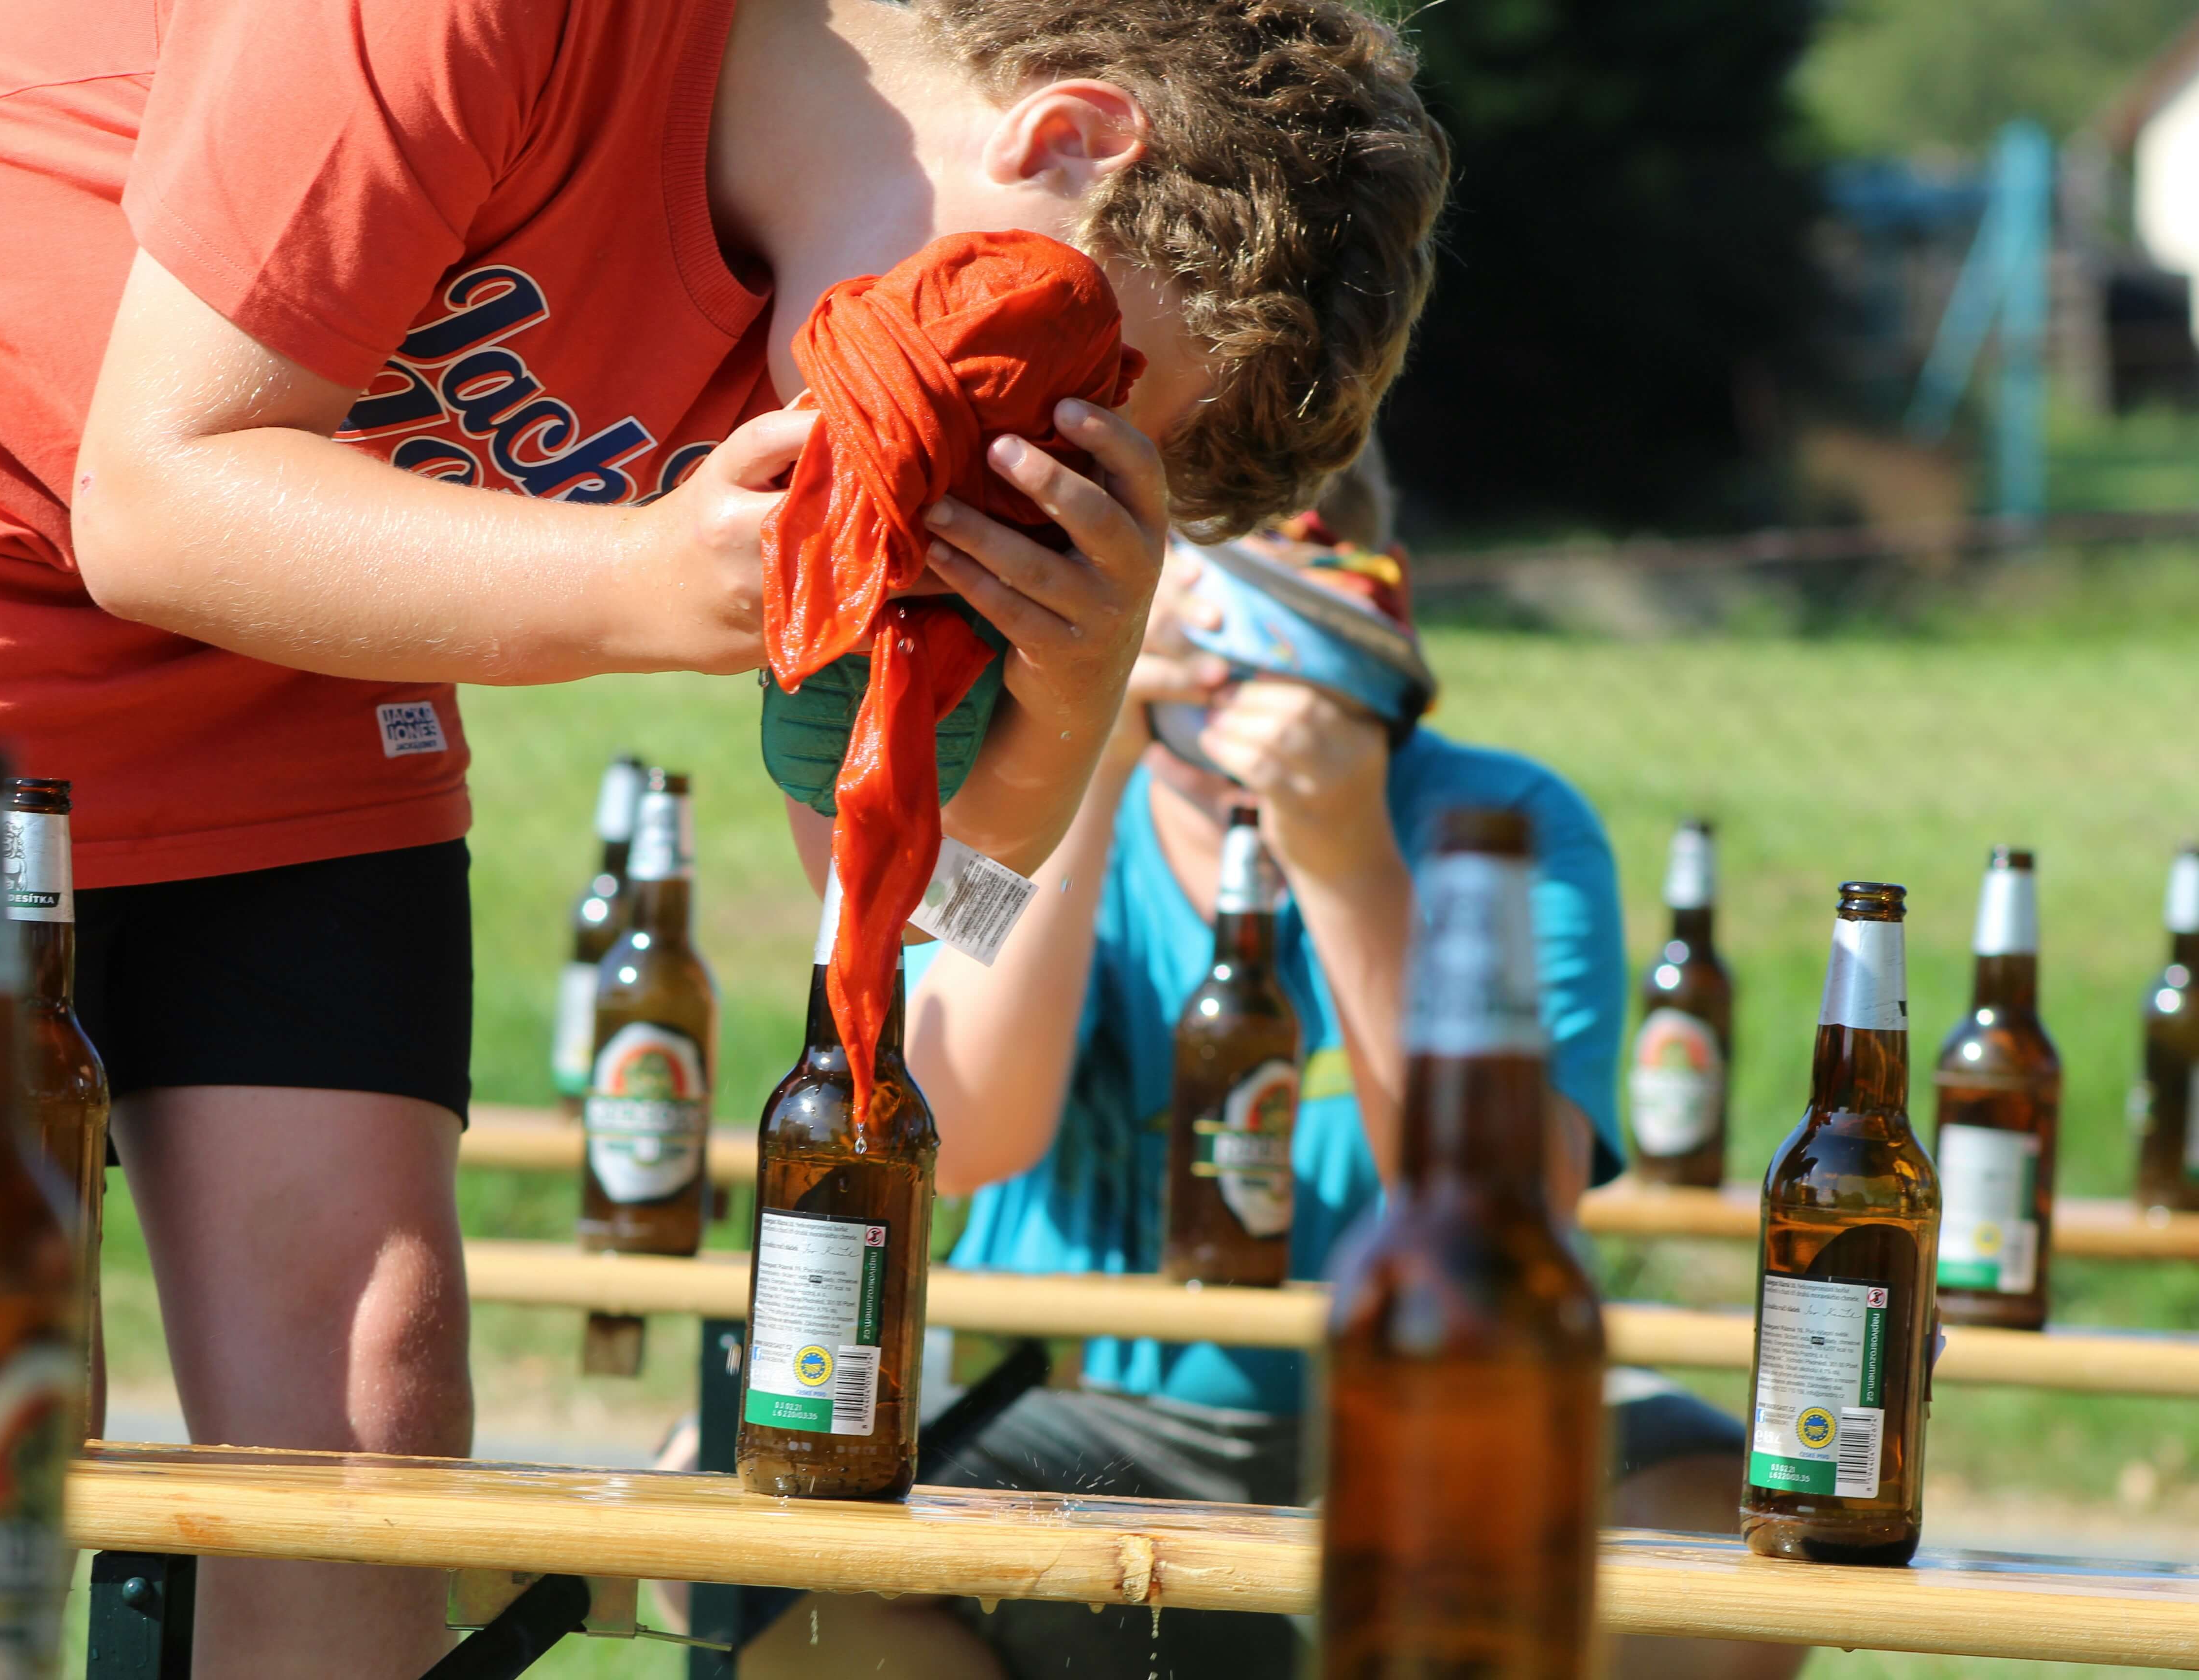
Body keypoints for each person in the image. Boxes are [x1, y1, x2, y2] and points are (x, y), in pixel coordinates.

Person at [0, 0, 1451, 1673]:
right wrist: (638, 578)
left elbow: (915, 942)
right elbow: (151, 501)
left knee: (369, 1385)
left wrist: (1058, 721)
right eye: (1066, 381)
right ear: (1065, 137)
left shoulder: (855, 328)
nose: (1007, 463)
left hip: (294, 600)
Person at [753, 445, 1799, 1680]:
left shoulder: (1503, 825)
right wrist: (1087, 744)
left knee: (1717, 1538)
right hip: (1068, 1394)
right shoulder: (1018, 792)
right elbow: (967, 1131)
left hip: (1420, 1397)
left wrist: (1345, 854)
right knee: (762, 1564)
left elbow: (1521, 1201)